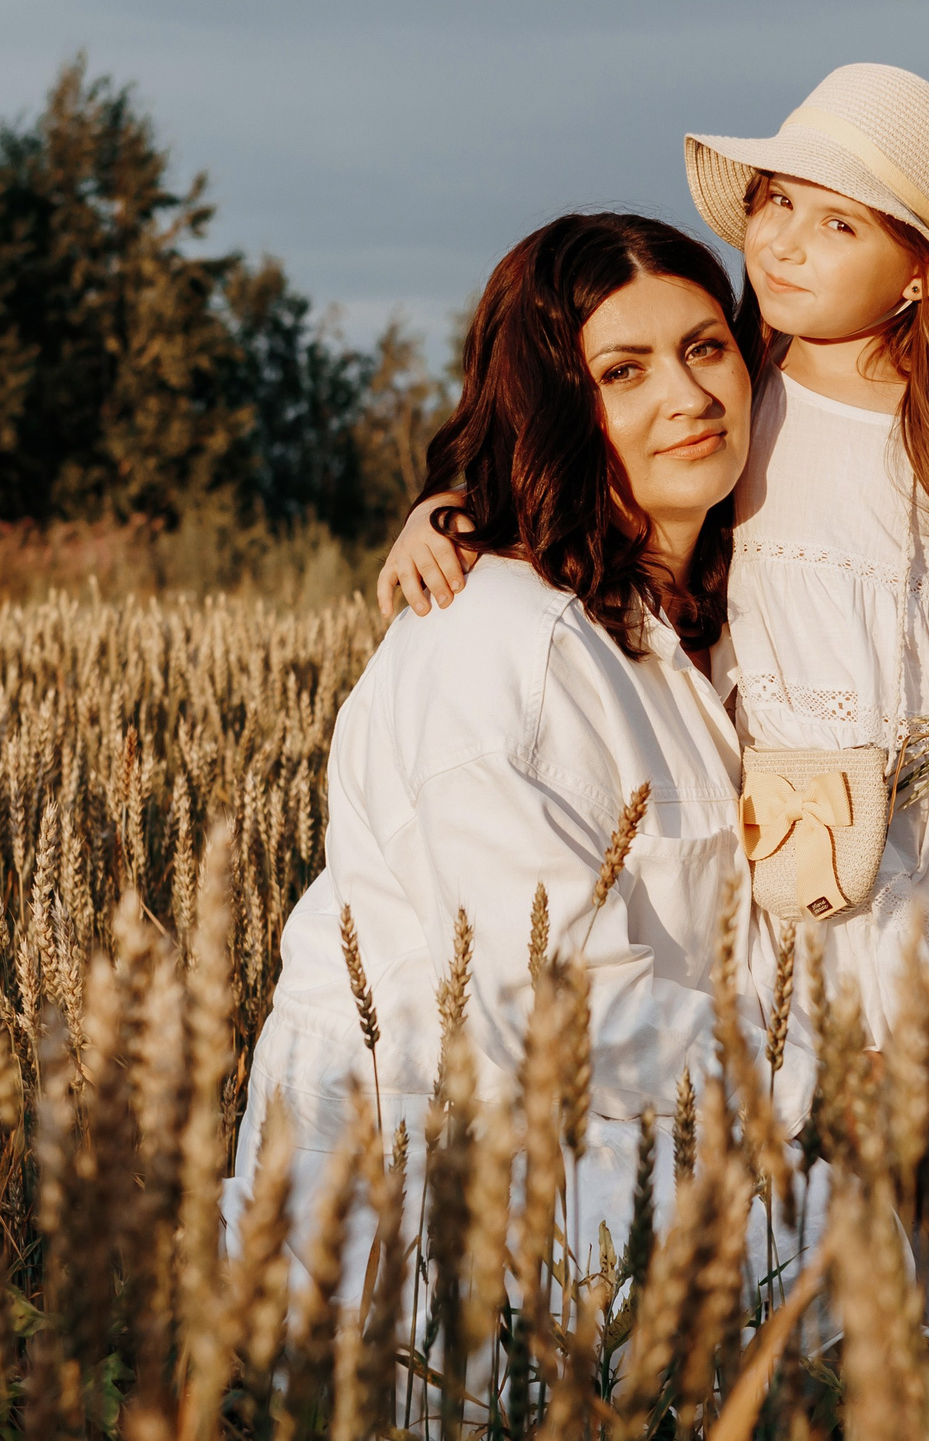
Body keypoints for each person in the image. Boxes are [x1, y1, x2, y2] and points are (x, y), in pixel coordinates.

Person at [376, 65, 929, 1297]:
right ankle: (923, 1351)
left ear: (922, 273)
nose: (787, 242)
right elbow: (574, 465)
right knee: (868, 1140)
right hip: (809, 835)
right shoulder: (734, 386)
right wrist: (443, 514)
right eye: (776, 204)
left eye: (838, 223)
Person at [230, 212, 818, 1348]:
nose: (689, 396)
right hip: (437, 1229)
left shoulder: (727, 608)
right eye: (623, 371)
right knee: (837, 1245)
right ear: (553, 406)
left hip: (633, 1138)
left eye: (706, 347)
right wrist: (836, 1080)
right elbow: (550, 1012)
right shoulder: (495, 641)